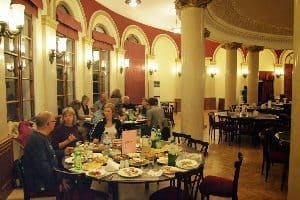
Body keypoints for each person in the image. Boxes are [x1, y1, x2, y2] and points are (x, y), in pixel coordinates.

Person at [23, 111, 73, 193]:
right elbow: (43, 168)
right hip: (40, 183)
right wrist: (59, 180)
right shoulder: (36, 140)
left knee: (72, 180)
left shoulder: (41, 136)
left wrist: (64, 152)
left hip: (46, 177)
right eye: (54, 121)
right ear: (48, 124)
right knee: (74, 185)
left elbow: (49, 153)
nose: (55, 123)